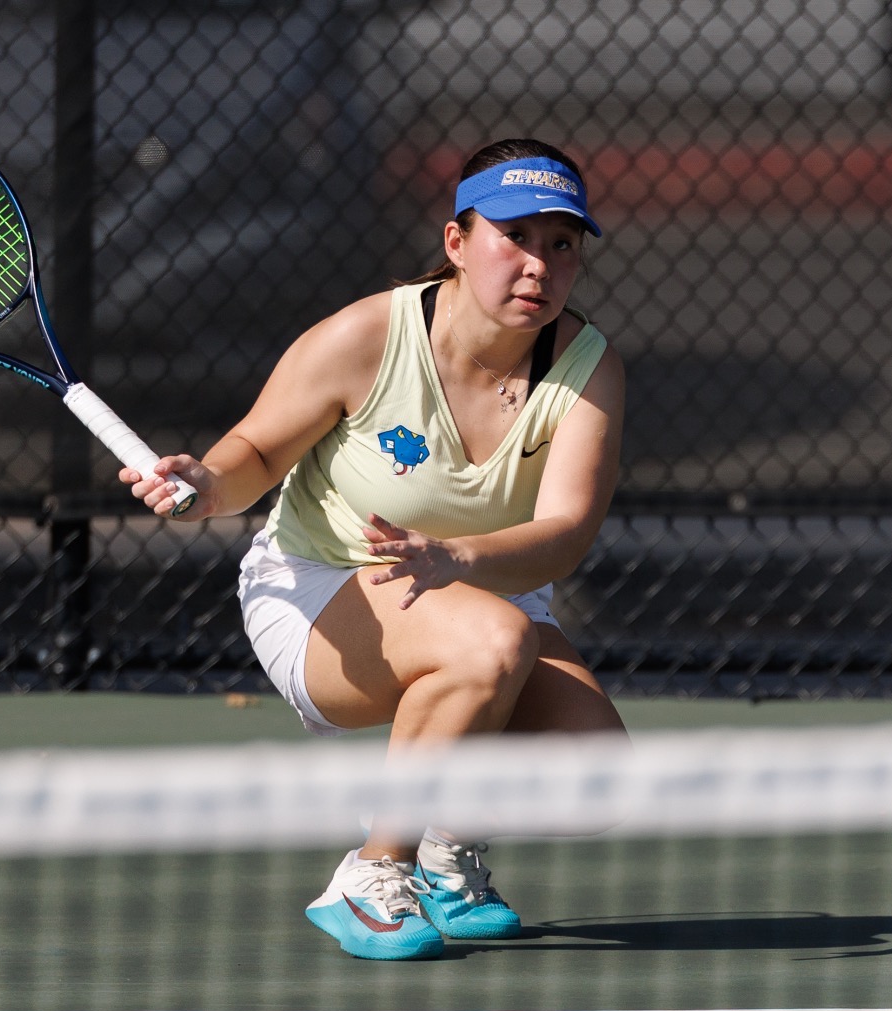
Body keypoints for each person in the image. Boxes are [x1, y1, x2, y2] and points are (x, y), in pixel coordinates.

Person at [122, 139, 627, 961]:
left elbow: (564, 534)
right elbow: (253, 452)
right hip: (321, 594)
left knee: (596, 779)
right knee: (493, 640)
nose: (539, 264)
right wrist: (206, 485)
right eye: (515, 236)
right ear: (456, 243)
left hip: (476, 593)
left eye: (561, 243)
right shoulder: (366, 336)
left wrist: (459, 563)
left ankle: (444, 845)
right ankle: (370, 872)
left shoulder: (587, 369)